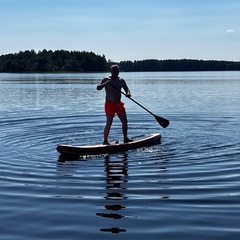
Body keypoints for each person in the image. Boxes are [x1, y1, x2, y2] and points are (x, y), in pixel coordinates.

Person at [97, 64, 133, 145]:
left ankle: (125, 138)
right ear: (111, 71)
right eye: (114, 71)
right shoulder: (106, 79)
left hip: (119, 104)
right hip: (110, 104)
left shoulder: (121, 80)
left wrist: (128, 94)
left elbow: (127, 89)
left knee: (125, 121)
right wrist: (105, 84)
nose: (116, 72)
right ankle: (105, 141)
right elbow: (98, 88)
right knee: (109, 123)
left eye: (117, 71)